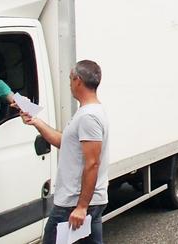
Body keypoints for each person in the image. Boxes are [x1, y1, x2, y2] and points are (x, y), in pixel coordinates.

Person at [20, 60, 109, 244]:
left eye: (70, 79)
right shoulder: (87, 112)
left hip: (75, 204)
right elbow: (64, 143)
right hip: (82, 202)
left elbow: (92, 163)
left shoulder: (88, 117)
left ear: (77, 80)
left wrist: (82, 207)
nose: (69, 84)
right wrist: (35, 121)